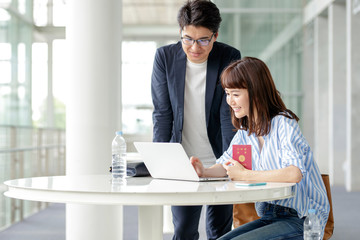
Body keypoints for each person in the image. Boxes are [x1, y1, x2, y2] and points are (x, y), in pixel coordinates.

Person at [191, 57, 330, 240]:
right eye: (227, 93)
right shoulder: (246, 132)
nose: (229, 101)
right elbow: (227, 165)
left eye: (235, 94)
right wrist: (204, 171)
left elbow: (294, 173)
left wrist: (245, 175)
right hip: (269, 216)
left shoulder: (284, 125)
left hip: (302, 219)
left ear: (255, 92)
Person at [151, 0, 241, 239]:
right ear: (180, 33)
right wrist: (160, 161)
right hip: (183, 162)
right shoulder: (165, 58)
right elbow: (162, 114)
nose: (194, 47)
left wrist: (231, 162)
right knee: (183, 230)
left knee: (220, 231)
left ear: (215, 35)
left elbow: (227, 115)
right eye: (187, 38)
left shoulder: (228, 56)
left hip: (220, 159)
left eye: (203, 40)